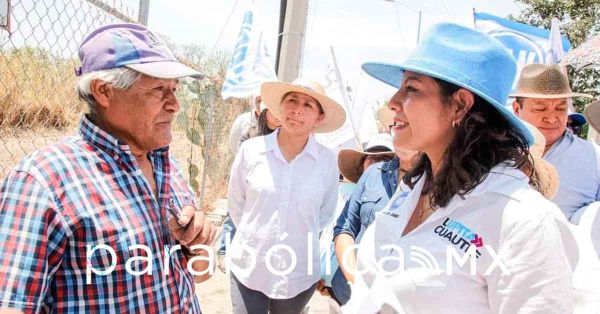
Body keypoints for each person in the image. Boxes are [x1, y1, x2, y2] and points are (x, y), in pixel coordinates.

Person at [344, 23, 577, 313]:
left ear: (459, 105)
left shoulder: (524, 220)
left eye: (411, 88)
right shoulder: (412, 188)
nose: (393, 102)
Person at [0, 23, 216, 313]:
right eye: (158, 90)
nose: (175, 104)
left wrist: (199, 243)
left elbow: (200, 273)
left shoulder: (166, 164)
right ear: (104, 91)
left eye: (174, 89)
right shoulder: (43, 183)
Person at [227, 78, 345, 314]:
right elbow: (237, 207)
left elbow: (324, 214)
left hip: (298, 275)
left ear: (319, 118)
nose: (297, 110)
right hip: (250, 268)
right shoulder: (251, 151)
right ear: (280, 108)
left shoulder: (326, 161)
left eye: (308, 105)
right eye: (292, 100)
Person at [328, 132, 417, 305]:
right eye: (372, 158)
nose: (377, 162)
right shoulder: (372, 175)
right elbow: (344, 228)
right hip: (346, 293)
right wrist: (355, 282)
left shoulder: (430, 183)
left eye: (383, 157)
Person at [511, 63, 600, 221]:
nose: (552, 118)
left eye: (560, 108)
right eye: (540, 109)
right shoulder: (493, 150)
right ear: (517, 109)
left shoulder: (595, 159)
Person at [219, 96, 281, 272]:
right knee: (234, 215)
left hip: (266, 187)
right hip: (246, 182)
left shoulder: (284, 137)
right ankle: (224, 251)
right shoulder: (250, 132)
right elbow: (239, 154)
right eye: (272, 112)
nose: (276, 116)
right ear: (263, 113)